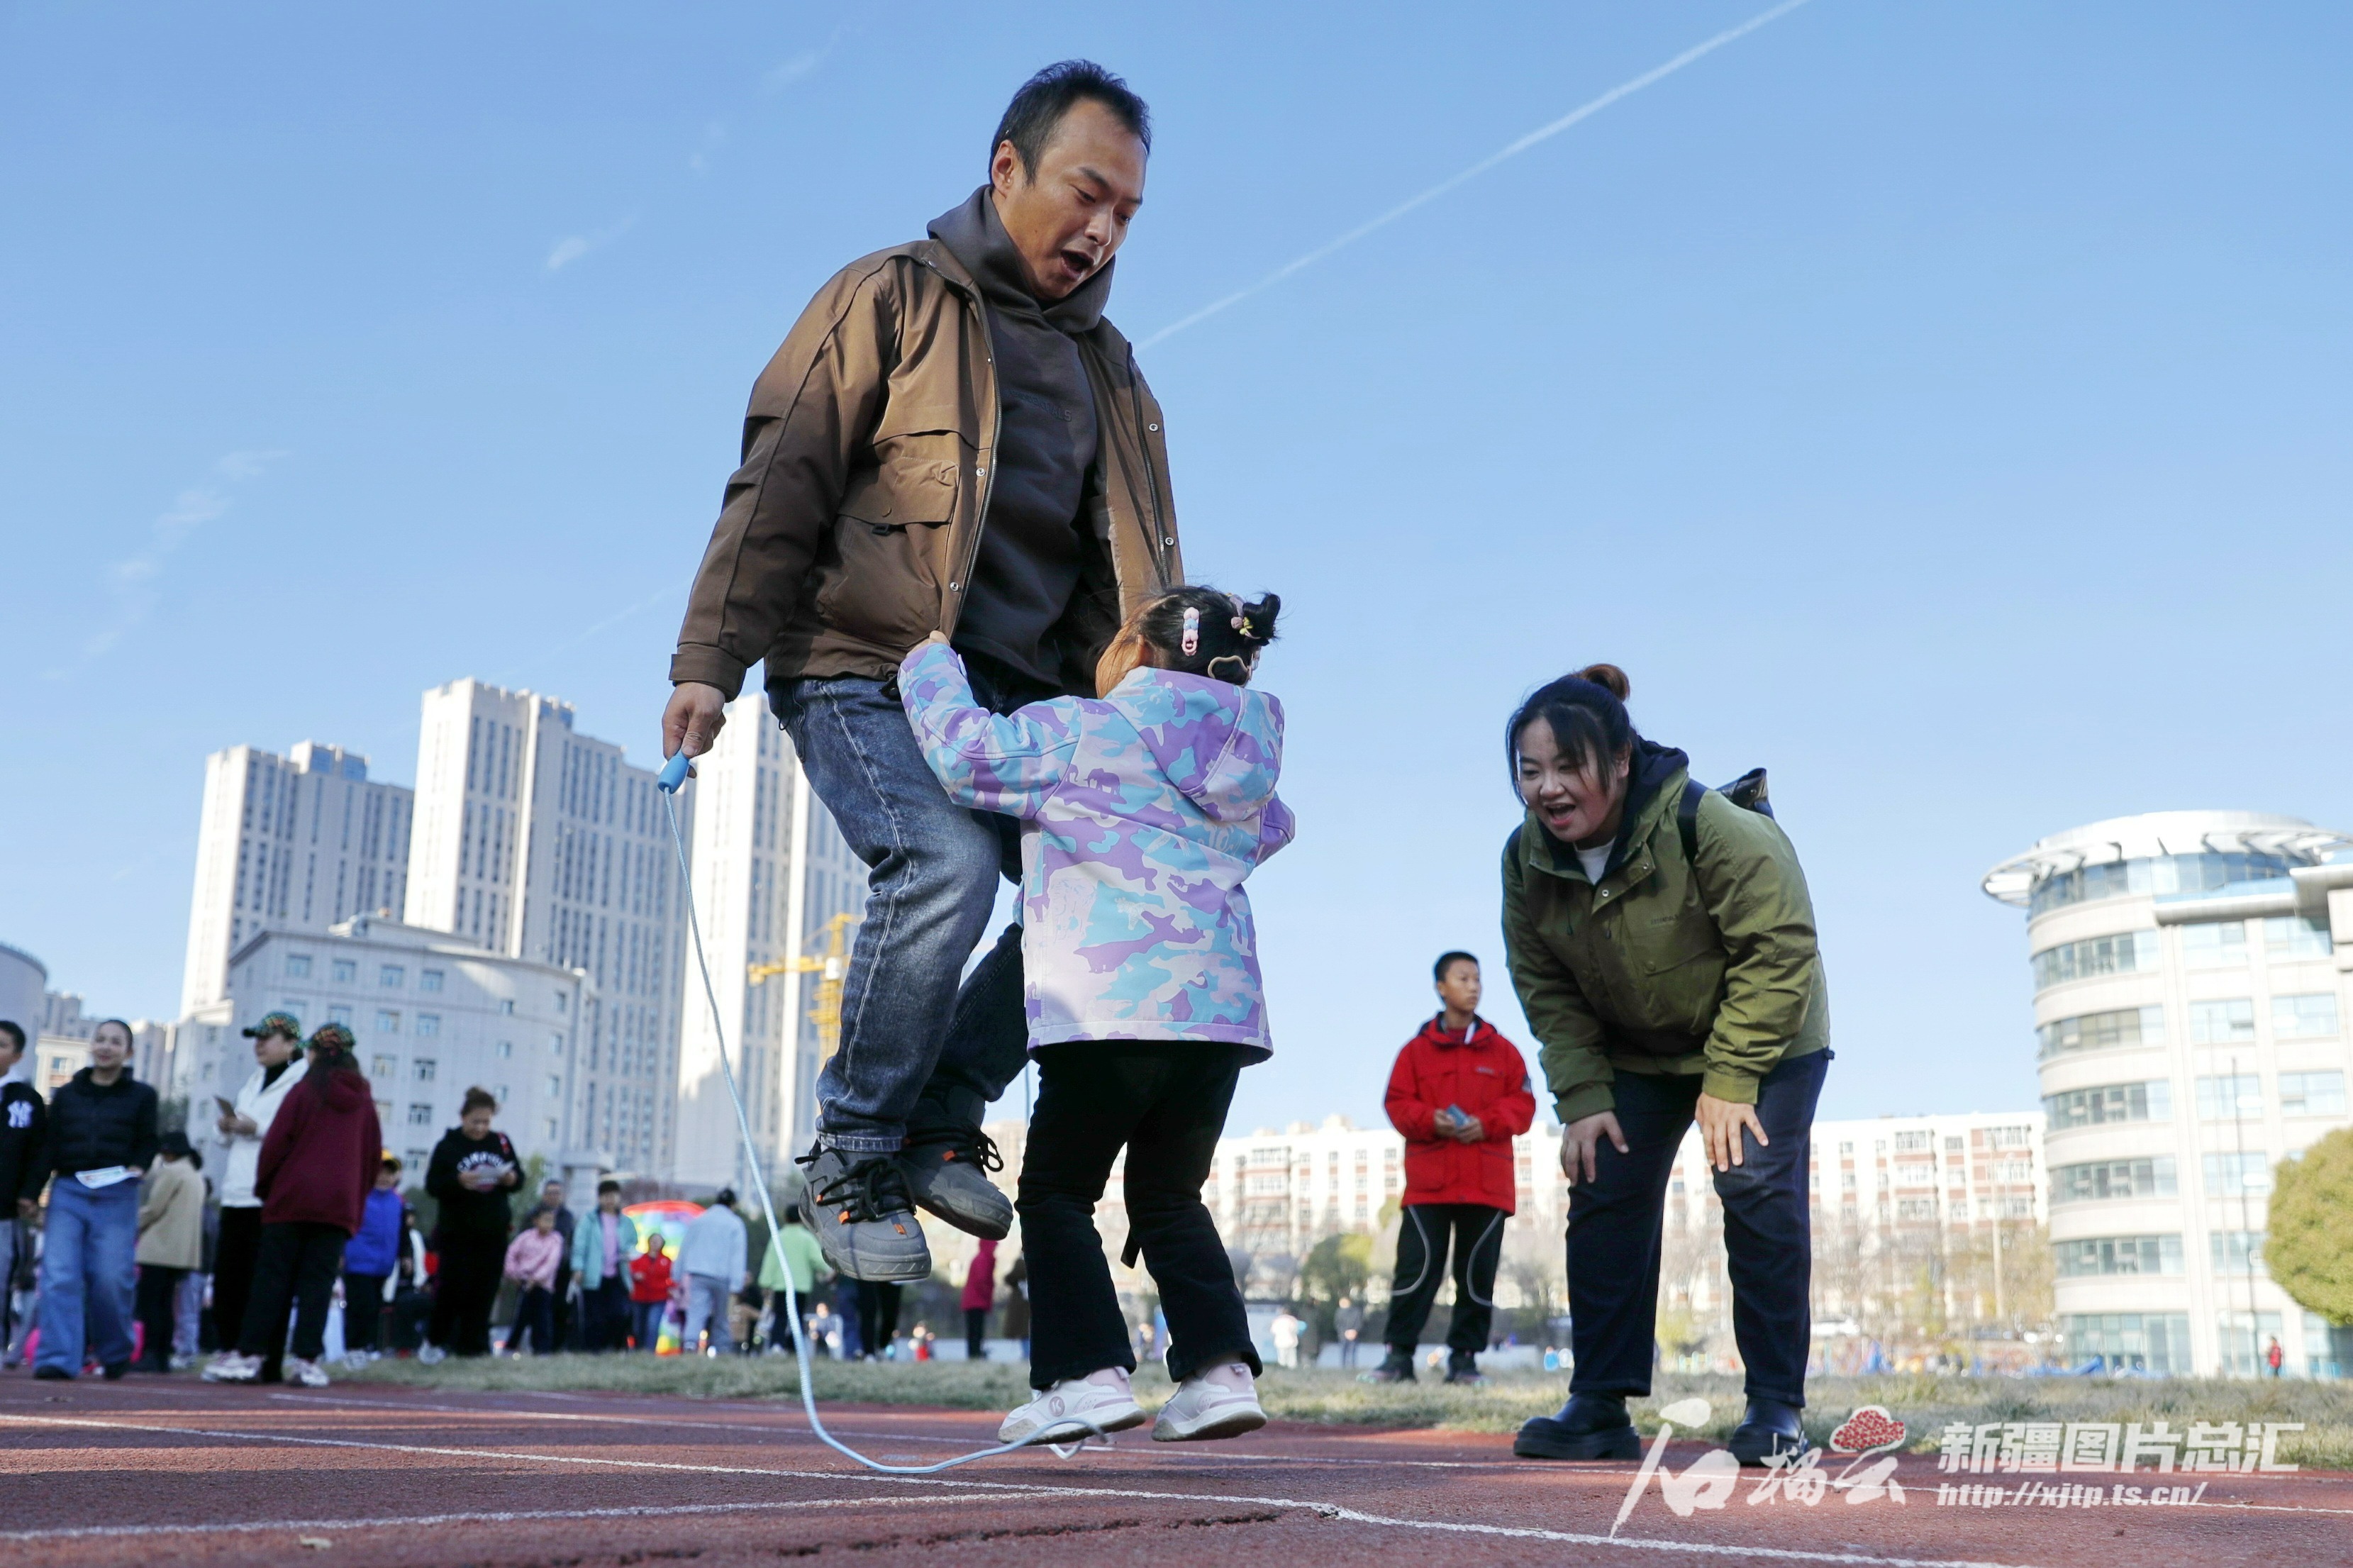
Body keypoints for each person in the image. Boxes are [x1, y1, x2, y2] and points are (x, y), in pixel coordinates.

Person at [660, 62, 1181, 1286]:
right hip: (867, 668)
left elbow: (1138, 583)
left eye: (1127, 212)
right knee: (944, 860)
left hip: (1025, 705)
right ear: (1007, 169)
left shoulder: (1115, 376)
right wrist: (709, 661)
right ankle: (852, 1150)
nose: (1104, 230)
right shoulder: (888, 296)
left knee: (1101, 891)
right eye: (1086, 193)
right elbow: (779, 478)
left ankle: (945, 1110)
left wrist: (1158, 738)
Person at [901, 584, 1290, 1446]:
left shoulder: (1081, 728)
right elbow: (1273, 830)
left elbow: (965, 755)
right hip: (1219, 1017)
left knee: (1058, 1193)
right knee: (1169, 1195)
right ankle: (1220, 1372)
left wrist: (928, 662)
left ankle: (1087, 1376)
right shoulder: (1251, 768)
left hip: (1109, 1003)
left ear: (1143, 649)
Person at [1499, 665, 1830, 1467]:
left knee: (1753, 1181)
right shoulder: (1526, 858)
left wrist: (1731, 1078)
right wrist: (1583, 1096)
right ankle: (1599, 1403)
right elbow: (1546, 985)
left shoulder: (1711, 825)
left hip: (1764, 1032)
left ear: (1620, 762)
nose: (1548, 789)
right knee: (1603, 1180)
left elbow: (1779, 949)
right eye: (1530, 771)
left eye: (1567, 766)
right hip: (1640, 1048)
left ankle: (1776, 1406)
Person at [1364, 952, 1535, 1387]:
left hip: (1487, 1185)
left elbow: (1523, 1105)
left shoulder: (1504, 1051)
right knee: (1416, 1272)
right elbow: (1396, 1103)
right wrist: (1429, 1120)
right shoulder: (1414, 1052)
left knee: (1477, 1277)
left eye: (1477, 979)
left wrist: (1488, 1122)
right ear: (1441, 987)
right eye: (1463, 978)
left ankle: (1464, 1362)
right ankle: (1398, 1359)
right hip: (1429, 1186)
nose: (1473, 986)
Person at [205, 1024, 381, 1389]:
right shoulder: (363, 1100)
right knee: (318, 1284)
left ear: (312, 1053)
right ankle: (306, 1361)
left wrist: (266, 1188)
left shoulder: (303, 1090)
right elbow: (371, 1156)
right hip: (337, 1206)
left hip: (291, 1200)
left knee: (271, 1280)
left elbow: (277, 1143)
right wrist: (354, 1201)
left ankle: (251, 1356)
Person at [33, 1019, 157, 1380]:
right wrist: (31, 1194)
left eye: (116, 1042)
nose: (106, 1047)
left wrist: (139, 1165)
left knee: (111, 1278)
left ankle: (116, 1351)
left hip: (118, 1192)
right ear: (91, 1045)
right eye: (100, 1039)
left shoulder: (142, 1095)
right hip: (68, 1190)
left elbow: (148, 1140)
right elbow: (49, 1146)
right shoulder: (67, 1095)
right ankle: (58, 1358)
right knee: (59, 1276)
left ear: (128, 1052)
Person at [207, 1011, 307, 1381]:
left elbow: (299, 1132)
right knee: (229, 1278)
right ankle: (232, 1349)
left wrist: (257, 1127)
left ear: (292, 1043)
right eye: (257, 1037)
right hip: (236, 1192)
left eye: (268, 1037)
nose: (259, 1044)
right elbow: (227, 1138)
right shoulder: (253, 1080)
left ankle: (264, 1357)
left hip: (271, 1196)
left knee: (266, 1281)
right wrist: (226, 1126)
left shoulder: (301, 1082)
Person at [422, 1087, 521, 1358]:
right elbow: (432, 1185)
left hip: (493, 1233)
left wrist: (511, 1179)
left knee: (485, 1291)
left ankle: (474, 1347)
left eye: (486, 1122)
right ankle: (436, 1341)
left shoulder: (500, 1142)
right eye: (475, 1121)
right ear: (463, 1117)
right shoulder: (449, 1145)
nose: (480, 1128)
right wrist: (457, 1181)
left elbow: (518, 1178)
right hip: (458, 1233)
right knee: (452, 1289)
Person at [133, 1130, 204, 1372]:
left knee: (150, 1304)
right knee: (167, 1306)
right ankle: (162, 1356)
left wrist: (132, 1223)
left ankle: (150, 1353)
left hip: (159, 1248)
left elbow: (154, 1208)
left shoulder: (171, 1172)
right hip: (181, 1251)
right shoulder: (195, 1174)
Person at [0, 1020, 46, 1362]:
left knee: (1, 1279)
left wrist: (29, 1192)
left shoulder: (27, 1100)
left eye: (2, 1045)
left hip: (3, 1210)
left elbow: (39, 1152)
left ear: (17, 1056)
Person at [341, 1155, 405, 1362]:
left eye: (389, 1173)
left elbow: (401, 1232)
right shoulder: (359, 1198)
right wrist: (341, 1253)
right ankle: (354, 1347)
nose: (384, 1177)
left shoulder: (398, 1201)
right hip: (358, 1263)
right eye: (379, 1172)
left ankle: (369, 1347)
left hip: (383, 1266)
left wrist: (405, 1255)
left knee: (375, 1307)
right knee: (361, 1307)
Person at [569, 1179, 640, 1352]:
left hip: (618, 1275)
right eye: (605, 1196)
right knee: (595, 1316)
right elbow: (579, 1246)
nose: (609, 1200)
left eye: (613, 1196)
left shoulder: (626, 1222)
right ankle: (594, 1350)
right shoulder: (589, 1220)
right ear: (599, 1198)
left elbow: (633, 1243)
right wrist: (578, 1268)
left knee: (619, 1313)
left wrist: (629, 1252)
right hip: (594, 1275)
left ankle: (615, 1347)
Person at [678, 1189, 747, 1355]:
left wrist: (677, 1273)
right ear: (733, 1204)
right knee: (722, 1315)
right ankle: (722, 1348)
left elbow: (685, 1247)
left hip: (699, 1273)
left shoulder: (700, 1220)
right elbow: (738, 1255)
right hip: (723, 1276)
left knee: (696, 1311)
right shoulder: (735, 1223)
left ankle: (690, 1343)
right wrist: (737, 1284)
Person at [756, 1203, 827, 1355]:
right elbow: (818, 1260)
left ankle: (777, 1345)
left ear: (786, 1218)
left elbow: (770, 1261)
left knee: (780, 1316)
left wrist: (765, 1282)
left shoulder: (778, 1237)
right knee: (797, 1318)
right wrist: (830, 1271)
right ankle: (795, 1348)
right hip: (800, 1286)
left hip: (781, 1286)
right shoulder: (807, 1238)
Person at [502, 1207, 563, 1355]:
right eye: (546, 1220)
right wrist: (513, 1274)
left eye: (552, 1221)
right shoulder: (525, 1237)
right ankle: (510, 1348)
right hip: (523, 1283)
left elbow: (551, 1264)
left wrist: (535, 1279)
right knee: (520, 1318)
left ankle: (542, 1350)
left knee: (542, 1319)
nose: (549, 1224)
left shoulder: (555, 1240)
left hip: (543, 1286)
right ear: (536, 1221)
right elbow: (511, 1254)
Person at [527, 1179, 579, 1349]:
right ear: (544, 1195)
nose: (553, 1196)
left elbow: (573, 1243)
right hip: (536, 1273)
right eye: (550, 1193)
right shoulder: (532, 1215)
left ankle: (556, 1347)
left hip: (561, 1271)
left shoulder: (568, 1217)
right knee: (537, 1311)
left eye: (557, 1193)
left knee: (561, 1309)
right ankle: (538, 1347)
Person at [628, 1233, 673, 1352]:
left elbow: (672, 1278)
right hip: (639, 1297)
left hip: (658, 1298)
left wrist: (670, 1289)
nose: (655, 1243)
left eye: (658, 1241)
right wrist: (635, 1276)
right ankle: (638, 1350)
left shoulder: (667, 1261)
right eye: (653, 1240)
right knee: (638, 1326)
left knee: (652, 1325)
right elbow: (630, 1272)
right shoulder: (639, 1260)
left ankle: (649, 1352)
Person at [961, 1237, 999, 1360]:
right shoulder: (983, 1260)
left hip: (974, 1300)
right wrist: (987, 1297)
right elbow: (982, 1281)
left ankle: (975, 1353)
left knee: (975, 1329)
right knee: (976, 1329)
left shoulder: (981, 1259)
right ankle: (975, 1353)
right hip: (976, 1301)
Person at [1334, 1296, 1364, 1369]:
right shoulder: (1356, 1311)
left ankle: (1345, 1365)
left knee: (1345, 1351)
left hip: (1345, 1335)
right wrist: (1354, 1331)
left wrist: (1347, 1332)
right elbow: (1359, 1323)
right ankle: (1351, 1365)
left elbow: (1337, 1324)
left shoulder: (1339, 1312)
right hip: (1351, 1334)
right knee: (1351, 1352)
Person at [1269, 1308, 1301, 1372]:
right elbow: (1295, 1330)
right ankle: (1292, 1370)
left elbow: (1273, 1331)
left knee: (1282, 1358)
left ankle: (1282, 1369)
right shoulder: (1292, 1320)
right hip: (1291, 1341)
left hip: (1280, 1341)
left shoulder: (1277, 1320)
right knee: (1292, 1358)